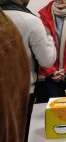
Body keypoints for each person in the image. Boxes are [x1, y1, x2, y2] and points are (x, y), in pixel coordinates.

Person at [0, 0, 57, 142]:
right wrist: (48, 38)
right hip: (21, 89)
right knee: (18, 132)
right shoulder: (31, 21)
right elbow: (47, 60)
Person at [0, 9, 30, 142]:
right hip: (29, 86)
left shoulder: (6, 24)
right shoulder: (36, 19)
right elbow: (46, 59)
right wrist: (52, 70)